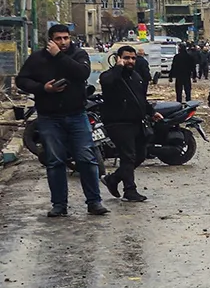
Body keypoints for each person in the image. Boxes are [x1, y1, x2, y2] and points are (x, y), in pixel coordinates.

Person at [14, 22, 109, 217]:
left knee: (86, 158)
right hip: (49, 117)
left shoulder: (78, 54)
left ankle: (94, 202)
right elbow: (21, 80)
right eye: (58, 39)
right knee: (55, 161)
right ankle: (59, 205)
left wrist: (59, 55)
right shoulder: (38, 58)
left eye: (66, 38)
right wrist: (43, 89)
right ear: (50, 40)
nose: (63, 42)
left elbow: (82, 73)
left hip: (77, 114)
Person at [99, 44, 159, 203]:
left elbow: (140, 99)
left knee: (140, 155)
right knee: (128, 156)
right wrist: (118, 68)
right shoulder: (110, 75)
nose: (130, 61)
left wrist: (151, 112)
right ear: (118, 58)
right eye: (126, 58)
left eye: (133, 58)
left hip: (136, 122)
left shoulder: (136, 77)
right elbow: (107, 82)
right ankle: (130, 190)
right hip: (118, 123)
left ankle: (113, 179)